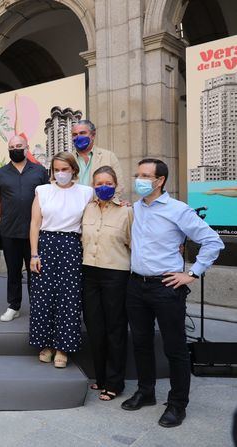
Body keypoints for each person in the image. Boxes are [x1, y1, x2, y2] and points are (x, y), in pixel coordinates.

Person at [121, 158, 224, 428]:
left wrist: (191, 273)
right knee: (141, 343)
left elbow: (213, 241)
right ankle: (146, 392)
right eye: (138, 174)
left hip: (166, 287)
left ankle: (178, 404)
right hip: (136, 285)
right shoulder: (137, 208)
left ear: (160, 180)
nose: (139, 180)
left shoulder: (178, 210)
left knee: (174, 348)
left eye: (145, 175)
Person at [29, 152, 93, 368]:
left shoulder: (86, 192)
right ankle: (45, 344)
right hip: (45, 245)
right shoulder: (43, 191)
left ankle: (63, 347)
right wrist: (34, 254)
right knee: (43, 297)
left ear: (74, 170)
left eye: (65, 169)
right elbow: (35, 224)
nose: (60, 173)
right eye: (57, 169)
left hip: (71, 246)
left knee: (69, 298)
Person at [81, 166, 133, 401]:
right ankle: (101, 378)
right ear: (93, 185)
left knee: (115, 328)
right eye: (99, 183)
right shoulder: (87, 209)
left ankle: (115, 382)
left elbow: (135, 244)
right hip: (89, 273)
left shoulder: (126, 212)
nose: (104, 187)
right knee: (95, 327)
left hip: (116, 274)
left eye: (108, 183)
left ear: (116, 185)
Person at [0, 134, 49, 322]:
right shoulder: (0, 173)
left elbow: (47, 198)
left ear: (26, 147)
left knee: (36, 271)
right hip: (9, 231)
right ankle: (13, 306)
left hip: (35, 232)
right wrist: (8, 215)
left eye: (19, 145)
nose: (15, 149)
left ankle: (37, 306)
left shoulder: (40, 171)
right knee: (13, 271)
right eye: (12, 146)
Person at [71, 119, 124, 197]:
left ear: (93, 135)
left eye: (82, 133)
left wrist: (109, 205)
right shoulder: (67, 159)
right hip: (74, 207)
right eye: (75, 134)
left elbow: (119, 186)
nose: (78, 137)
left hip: (101, 207)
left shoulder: (109, 156)